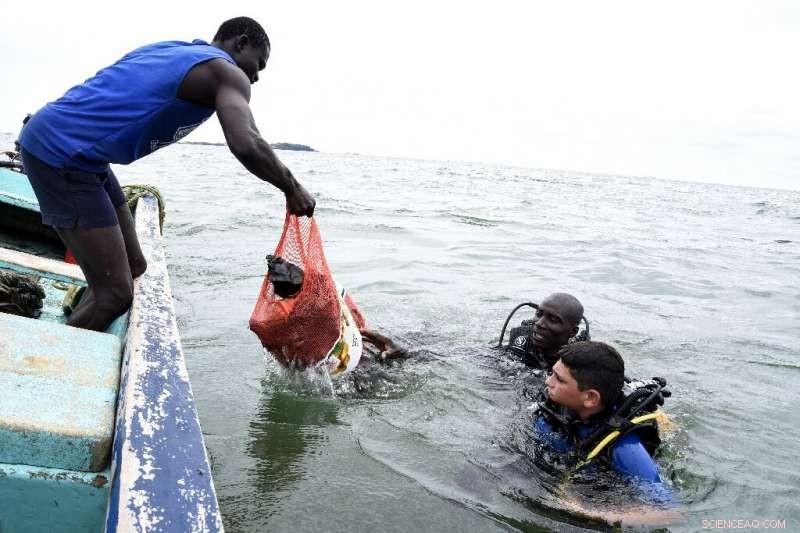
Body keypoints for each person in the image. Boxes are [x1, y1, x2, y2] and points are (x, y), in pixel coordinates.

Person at [16, 16, 315, 331]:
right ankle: (60, 356)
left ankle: (82, 312)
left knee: (135, 265)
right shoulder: (227, 73)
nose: (255, 76)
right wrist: (291, 188)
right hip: (61, 153)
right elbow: (246, 142)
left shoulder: (170, 50)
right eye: (259, 64)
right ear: (240, 44)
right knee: (116, 295)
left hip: (83, 155)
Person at [532, 341, 679, 524]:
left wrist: (588, 512)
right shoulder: (557, 406)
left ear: (590, 398)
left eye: (559, 379)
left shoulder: (625, 449)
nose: (548, 381)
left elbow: (669, 512)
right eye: (552, 373)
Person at [504, 292, 585, 370]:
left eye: (553, 320)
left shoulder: (575, 363)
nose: (539, 323)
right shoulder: (520, 337)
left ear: (573, 332)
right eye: (538, 314)